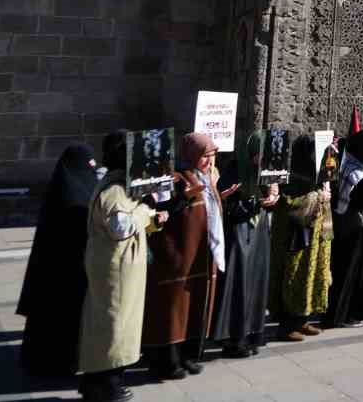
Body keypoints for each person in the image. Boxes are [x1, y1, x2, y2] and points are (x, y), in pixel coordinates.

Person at [77, 132, 168, 402]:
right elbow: (120, 227)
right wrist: (145, 210)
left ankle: (103, 382)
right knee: (112, 326)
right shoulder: (114, 189)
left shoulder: (122, 186)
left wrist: (154, 217)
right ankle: (104, 384)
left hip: (123, 267)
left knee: (120, 324)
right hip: (114, 268)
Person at [142, 131, 222, 380]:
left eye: (212, 156)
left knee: (194, 307)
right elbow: (157, 209)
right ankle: (167, 362)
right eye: (205, 156)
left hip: (199, 255)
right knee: (173, 310)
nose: (209, 161)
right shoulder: (174, 176)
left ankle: (187, 355)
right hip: (176, 256)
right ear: (192, 155)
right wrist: (182, 198)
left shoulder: (206, 177)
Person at [19, 143, 101, 380]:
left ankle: (53, 360)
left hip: (63, 269)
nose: (91, 169)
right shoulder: (68, 193)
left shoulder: (68, 186)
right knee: (57, 320)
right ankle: (53, 363)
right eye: (87, 165)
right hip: (64, 270)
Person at [210, 133, 278, 359]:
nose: (262, 158)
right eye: (259, 153)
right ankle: (235, 338)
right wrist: (244, 202)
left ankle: (253, 333)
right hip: (239, 233)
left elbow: (272, 197)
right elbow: (225, 204)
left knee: (256, 282)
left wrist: (271, 200)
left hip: (258, 231)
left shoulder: (267, 170)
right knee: (239, 283)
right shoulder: (234, 169)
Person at [269, 137, 332, 342]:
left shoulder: (315, 176)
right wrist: (316, 197)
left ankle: (303, 320)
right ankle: (287, 326)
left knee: (310, 279)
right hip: (297, 241)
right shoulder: (291, 177)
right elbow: (290, 206)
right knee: (294, 278)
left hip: (314, 240)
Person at [327, 130, 363, 326]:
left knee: (348, 272)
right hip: (351, 226)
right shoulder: (356, 170)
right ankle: (343, 314)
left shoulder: (347, 163)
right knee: (347, 273)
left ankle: (345, 313)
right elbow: (361, 197)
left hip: (348, 224)